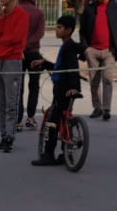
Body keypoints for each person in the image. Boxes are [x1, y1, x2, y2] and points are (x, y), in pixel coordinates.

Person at [31, 14, 85, 166]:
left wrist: (74, 87)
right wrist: (45, 63)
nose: (56, 29)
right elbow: (60, 67)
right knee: (63, 120)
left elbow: (72, 69)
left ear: (68, 30)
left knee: (52, 122)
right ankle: (65, 154)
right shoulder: (67, 46)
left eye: (59, 27)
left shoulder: (69, 48)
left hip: (64, 91)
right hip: (63, 89)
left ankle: (48, 155)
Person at [78, 0, 117, 120]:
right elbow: (82, 31)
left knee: (107, 79)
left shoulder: (116, 8)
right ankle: (97, 107)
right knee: (94, 81)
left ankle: (106, 109)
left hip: (109, 51)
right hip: (92, 51)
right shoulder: (89, 9)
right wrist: (86, 48)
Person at [0, 0, 30, 152]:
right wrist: (0, 18)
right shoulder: (2, 15)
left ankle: (9, 136)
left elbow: (15, 38)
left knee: (11, 101)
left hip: (13, 60)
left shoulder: (22, 15)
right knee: (0, 101)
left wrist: (1, 41)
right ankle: (3, 134)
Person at [18, 0, 48, 132]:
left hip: (18, 53)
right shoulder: (39, 13)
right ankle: (30, 117)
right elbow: (40, 33)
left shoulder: (17, 11)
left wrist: (21, 45)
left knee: (18, 87)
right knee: (34, 86)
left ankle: (18, 120)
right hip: (34, 53)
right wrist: (29, 43)